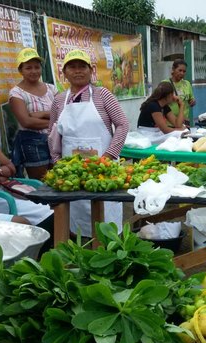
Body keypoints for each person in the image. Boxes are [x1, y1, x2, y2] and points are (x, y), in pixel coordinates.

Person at [48, 49, 129, 238]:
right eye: (72, 67)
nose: (78, 71)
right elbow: (52, 133)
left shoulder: (103, 95)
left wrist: (109, 156)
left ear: (91, 70)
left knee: (105, 219)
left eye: (82, 66)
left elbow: (123, 124)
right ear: (64, 72)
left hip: (103, 169)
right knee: (77, 216)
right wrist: (57, 160)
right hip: (73, 173)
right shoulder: (59, 100)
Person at [9, 48, 57, 180]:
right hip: (32, 143)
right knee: (42, 183)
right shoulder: (16, 93)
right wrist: (55, 121)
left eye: (37, 67)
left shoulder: (51, 89)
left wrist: (41, 114)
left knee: (58, 179)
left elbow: (64, 112)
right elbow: (27, 122)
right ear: (20, 71)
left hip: (55, 140)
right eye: (28, 68)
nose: (34, 71)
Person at [166, 59, 195, 126]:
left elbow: (191, 99)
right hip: (170, 123)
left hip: (184, 122)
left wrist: (192, 101)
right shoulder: (165, 84)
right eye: (180, 70)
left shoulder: (187, 84)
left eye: (184, 71)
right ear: (173, 69)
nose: (182, 73)